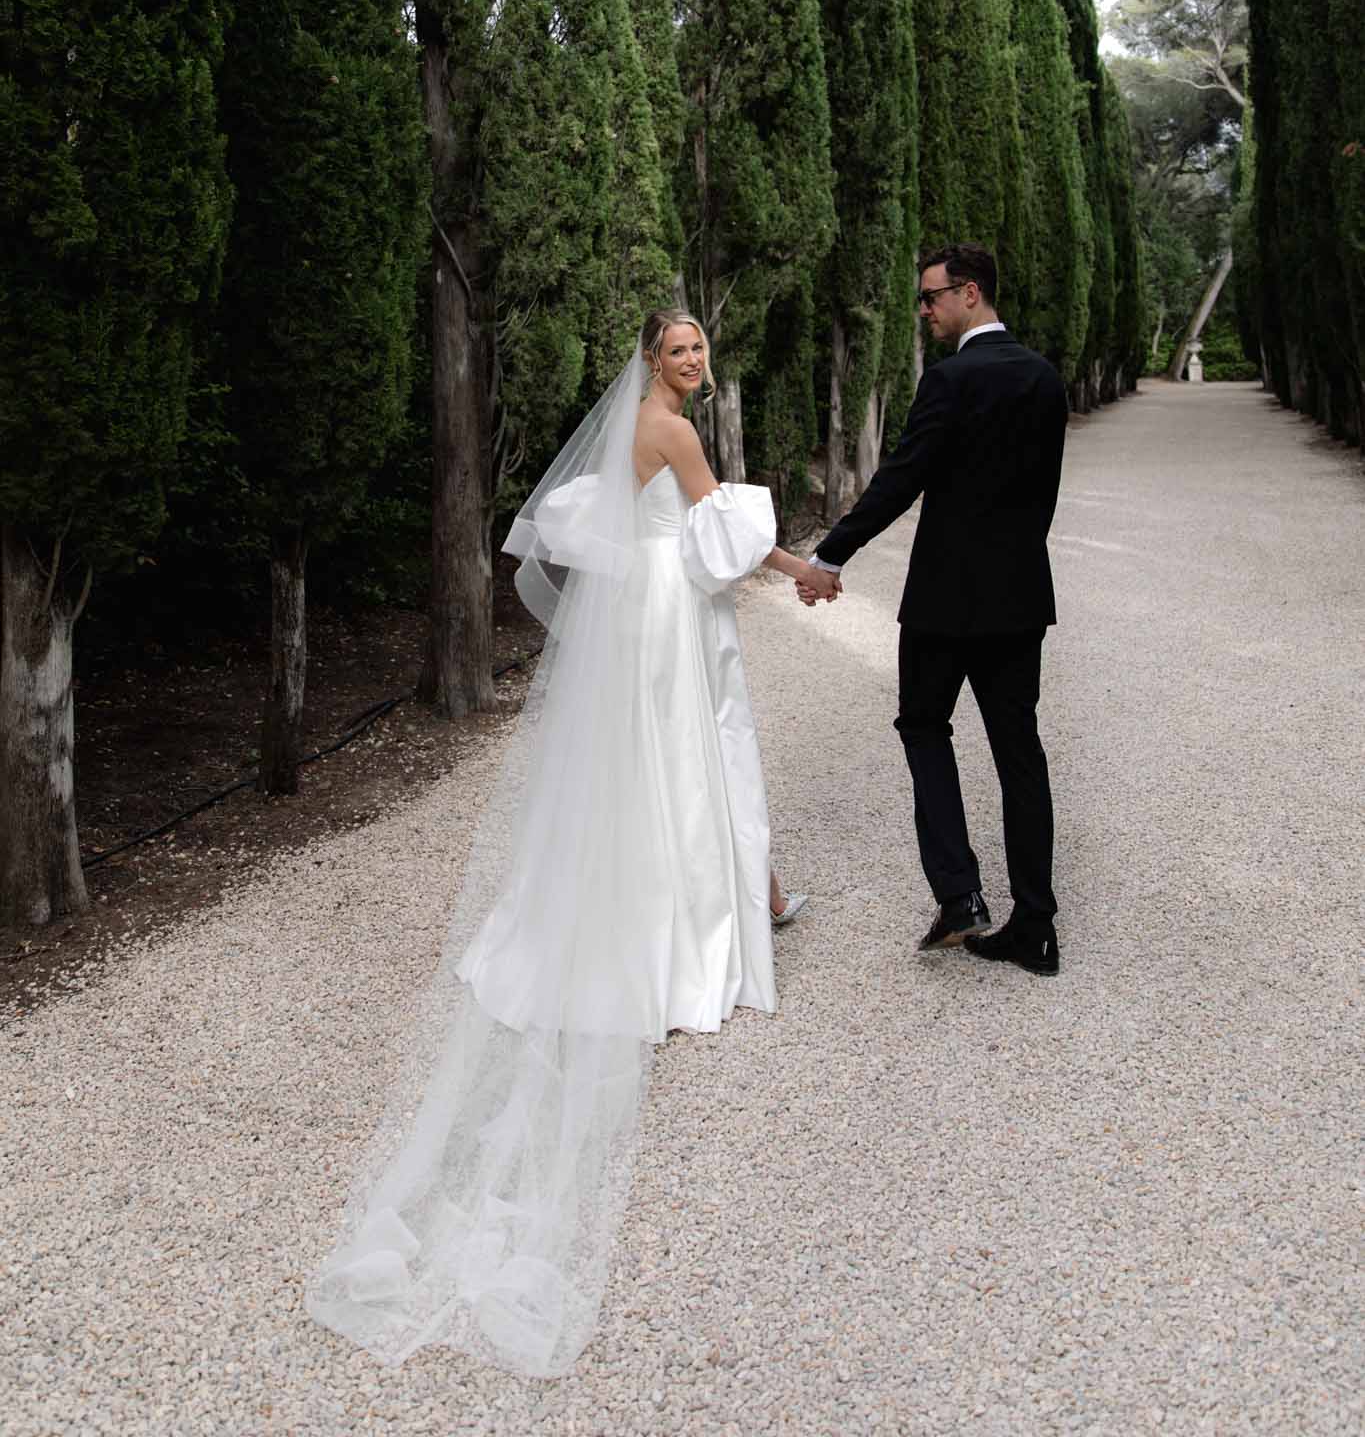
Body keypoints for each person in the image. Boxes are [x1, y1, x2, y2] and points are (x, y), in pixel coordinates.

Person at [306, 309, 819, 1378]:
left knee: (658, 769)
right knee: (688, 766)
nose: (694, 360)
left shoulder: (632, 425)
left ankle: (723, 895)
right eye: (679, 348)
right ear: (649, 359)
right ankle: (689, 932)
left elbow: (607, 525)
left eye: (699, 348)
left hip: (641, 614)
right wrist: (802, 568)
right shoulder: (670, 429)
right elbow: (723, 537)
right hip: (671, 620)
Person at [799, 245, 1069, 978]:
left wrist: (829, 556)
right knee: (1020, 753)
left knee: (923, 727)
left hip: (945, 603)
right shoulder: (1043, 379)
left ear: (970, 294)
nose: (923, 312)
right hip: (1018, 597)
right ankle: (1036, 928)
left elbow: (901, 478)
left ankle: (959, 898)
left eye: (930, 298)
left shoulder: (950, 380)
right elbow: (1039, 497)